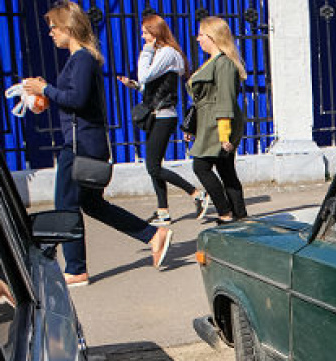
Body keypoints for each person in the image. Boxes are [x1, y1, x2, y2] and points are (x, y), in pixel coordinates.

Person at [23, 1, 171, 287]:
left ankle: (75, 269)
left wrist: (46, 90)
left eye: (53, 27)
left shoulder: (82, 59)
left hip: (81, 146)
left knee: (66, 206)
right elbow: (74, 96)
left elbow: (76, 100)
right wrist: (46, 91)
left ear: (68, 27)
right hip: (87, 142)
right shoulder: (80, 59)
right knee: (91, 204)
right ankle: (153, 234)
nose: (50, 33)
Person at [118, 13, 207, 226]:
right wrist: (136, 86)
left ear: (156, 33)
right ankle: (163, 211)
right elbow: (150, 84)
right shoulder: (164, 53)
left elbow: (145, 76)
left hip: (164, 115)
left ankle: (196, 193)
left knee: (153, 167)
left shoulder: (167, 52)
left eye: (146, 33)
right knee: (154, 165)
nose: (143, 37)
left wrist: (147, 51)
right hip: (156, 114)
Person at [186, 16, 247, 223]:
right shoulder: (214, 62)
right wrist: (193, 128)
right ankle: (239, 214)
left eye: (201, 34)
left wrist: (224, 135)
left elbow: (224, 100)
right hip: (209, 123)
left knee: (201, 167)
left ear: (212, 36)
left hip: (218, 124)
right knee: (226, 169)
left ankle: (225, 212)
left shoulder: (223, 64)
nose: (198, 39)